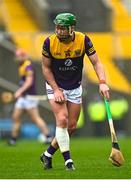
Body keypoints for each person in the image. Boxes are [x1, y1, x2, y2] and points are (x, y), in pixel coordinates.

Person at [40, 12, 110, 170]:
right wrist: (56, 90)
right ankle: (68, 162)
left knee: (71, 127)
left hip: (75, 87)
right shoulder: (49, 42)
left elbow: (97, 63)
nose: (59, 31)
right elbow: (45, 68)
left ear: (72, 28)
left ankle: (48, 154)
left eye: (63, 28)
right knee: (62, 120)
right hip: (55, 85)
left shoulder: (83, 40)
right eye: (57, 27)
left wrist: (102, 83)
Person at [8, 48, 52, 145]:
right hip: (23, 98)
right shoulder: (22, 66)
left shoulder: (28, 66)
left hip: (29, 97)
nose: (17, 58)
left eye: (19, 56)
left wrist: (19, 91)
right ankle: (13, 139)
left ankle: (48, 137)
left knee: (35, 118)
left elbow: (29, 82)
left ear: (23, 56)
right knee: (16, 117)